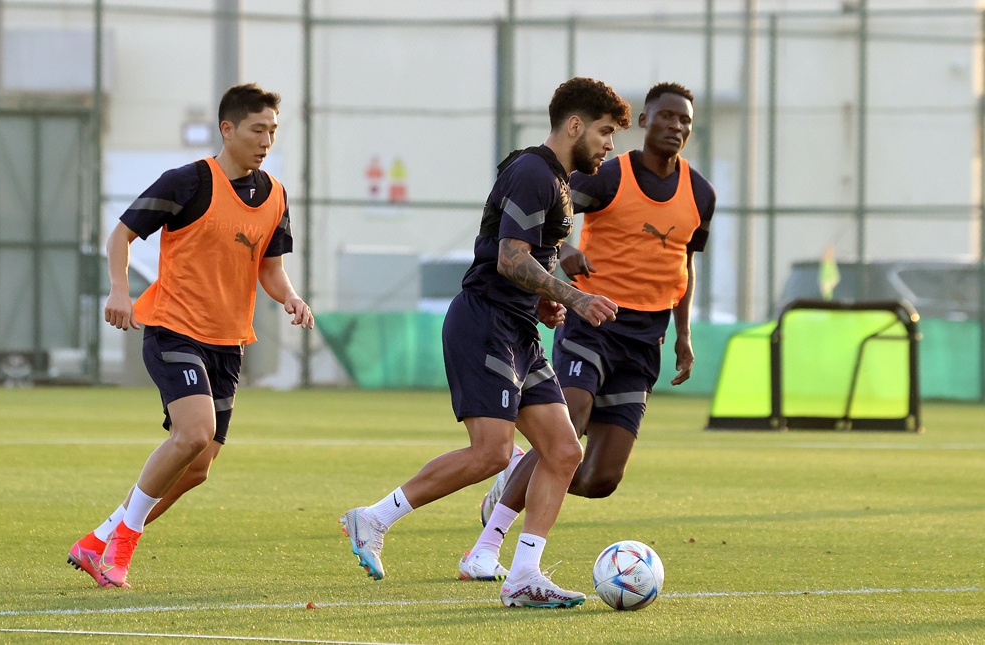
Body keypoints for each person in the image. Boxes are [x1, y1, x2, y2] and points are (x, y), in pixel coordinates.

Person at [339, 77, 630, 608]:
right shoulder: (532, 172)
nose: (610, 145)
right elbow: (508, 257)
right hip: (485, 323)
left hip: (518, 327)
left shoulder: (558, 184)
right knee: (493, 453)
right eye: (605, 132)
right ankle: (374, 518)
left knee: (563, 451)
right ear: (574, 125)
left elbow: (530, 262)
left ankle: (524, 574)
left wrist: (545, 301)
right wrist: (577, 297)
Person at [461, 82, 716, 578]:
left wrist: (683, 335)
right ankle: (487, 546)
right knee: (568, 424)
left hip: (648, 336)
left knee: (601, 478)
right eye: (666, 117)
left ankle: (520, 474)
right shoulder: (609, 175)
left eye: (685, 120)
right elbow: (554, 212)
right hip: (592, 319)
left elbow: (683, 262)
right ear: (645, 121)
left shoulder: (700, 192)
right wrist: (566, 254)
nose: (676, 127)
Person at [67, 83, 314, 589]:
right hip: (172, 327)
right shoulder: (187, 181)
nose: (266, 140)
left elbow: (270, 268)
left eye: (272, 130)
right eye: (257, 129)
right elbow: (121, 235)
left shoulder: (275, 195)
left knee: (198, 468)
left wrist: (289, 296)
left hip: (228, 342)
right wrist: (119, 291)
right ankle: (121, 549)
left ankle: (96, 542)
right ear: (228, 129)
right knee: (194, 431)